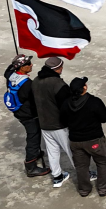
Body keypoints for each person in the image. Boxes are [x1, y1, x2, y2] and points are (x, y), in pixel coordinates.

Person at [62, 78, 106, 197]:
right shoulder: (94, 102)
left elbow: (62, 121)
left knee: (81, 166)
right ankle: (104, 188)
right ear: (84, 87)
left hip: (75, 141)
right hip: (94, 140)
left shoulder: (66, 103)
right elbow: (105, 118)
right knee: (104, 162)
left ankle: (84, 190)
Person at [2, 55, 51, 178]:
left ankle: (35, 154)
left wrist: (15, 63)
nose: (31, 65)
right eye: (28, 64)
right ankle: (31, 166)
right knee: (33, 136)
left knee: (34, 134)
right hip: (27, 115)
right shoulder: (27, 84)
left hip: (19, 111)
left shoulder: (11, 75)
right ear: (21, 67)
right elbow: (34, 100)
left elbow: (7, 72)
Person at [32, 56, 75, 187]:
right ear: (57, 68)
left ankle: (57, 177)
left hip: (44, 124)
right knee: (72, 150)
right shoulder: (58, 84)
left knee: (52, 151)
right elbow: (67, 105)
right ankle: (84, 173)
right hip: (59, 124)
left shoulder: (35, 81)